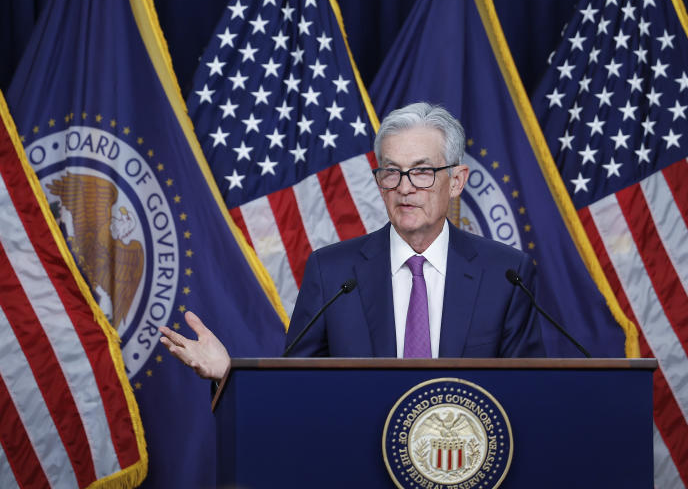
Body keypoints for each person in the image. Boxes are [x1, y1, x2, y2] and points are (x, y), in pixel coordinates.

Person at [160, 102, 544, 380]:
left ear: (456, 181)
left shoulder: (505, 275)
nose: (405, 188)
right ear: (379, 183)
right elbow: (295, 387)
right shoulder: (333, 273)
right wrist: (229, 373)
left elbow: (530, 394)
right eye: (391, 173)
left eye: (422, 172)